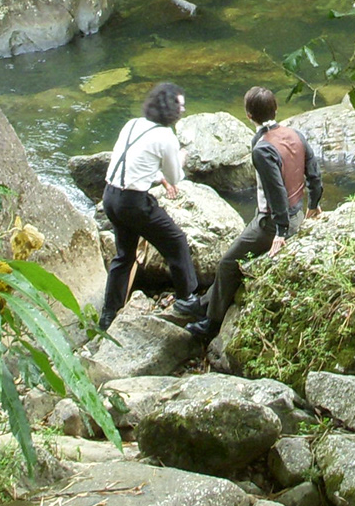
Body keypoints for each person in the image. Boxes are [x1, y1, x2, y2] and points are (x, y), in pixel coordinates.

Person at [188, 86, 321, 341]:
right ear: (277, 109)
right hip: (297, 215)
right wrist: (314, 204)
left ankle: (211, 324)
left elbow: (276, 191)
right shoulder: (295, 134)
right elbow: (313, 172)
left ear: (248, 115)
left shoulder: (262, 148)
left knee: (228, 264)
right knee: (237, 248)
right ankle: (205, 301)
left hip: (273, 223)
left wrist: (280, 232)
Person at [99, 82, 208, 330]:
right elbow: (177, 176)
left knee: (124, 255)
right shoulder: (166, 136)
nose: (183, 109)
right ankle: (187, 299)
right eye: (180, 104)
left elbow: (133, 161)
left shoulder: (133, 124)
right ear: (170, 108)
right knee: (176, 241)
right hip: (134, 203)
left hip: (110, 197)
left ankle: (108, 314)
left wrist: (158, 178)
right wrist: (181, 159)